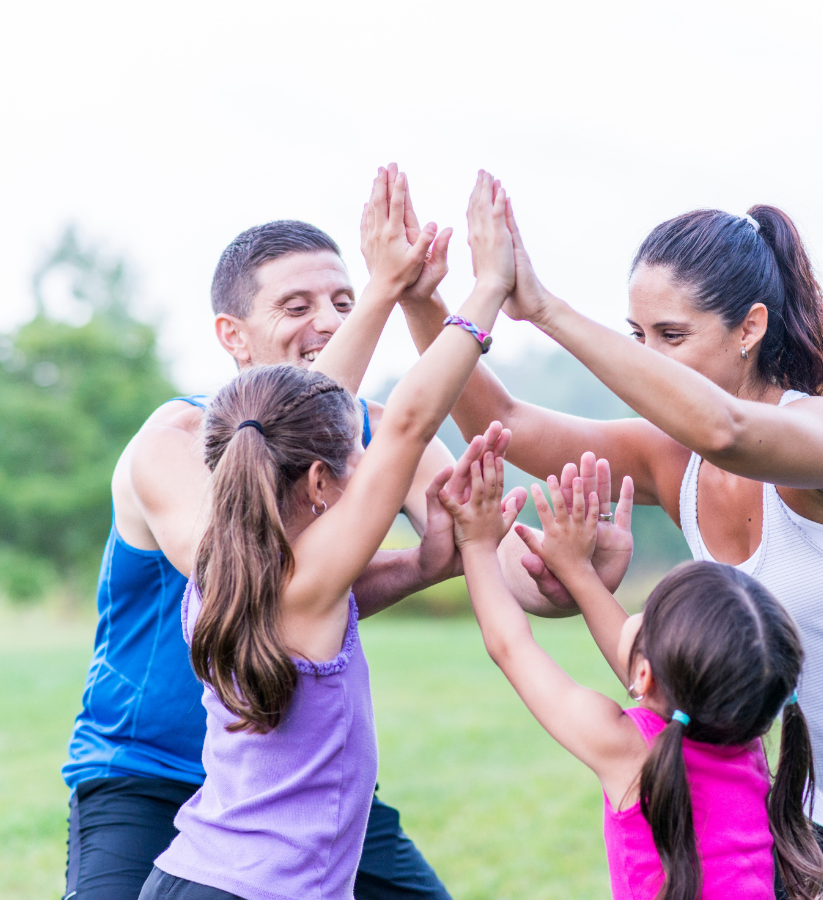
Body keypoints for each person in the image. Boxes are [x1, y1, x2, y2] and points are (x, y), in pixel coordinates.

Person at [398, 191, 823, 900]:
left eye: (671, 335)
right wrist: (423, 303)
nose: (648, 359)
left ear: (749, 329)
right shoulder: (673, 460)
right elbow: (502, 419)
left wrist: (546, 309)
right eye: (638, 336)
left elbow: (728, 431)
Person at [63, 167, 631, 900]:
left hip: (298, 775)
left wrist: (575, 567)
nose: (329, 320)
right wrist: (396, 294)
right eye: (296, 305)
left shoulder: (369, 428)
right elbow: (263, 569)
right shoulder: (173, 441)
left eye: (343, 299)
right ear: (230, 335)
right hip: (145, 772)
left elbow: (498, 562)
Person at [139, 171, 525, 900]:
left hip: (190, 875)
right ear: (320, 484)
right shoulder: (309, 578)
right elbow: (408, 420)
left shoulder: (221, 567)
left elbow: (320, 414)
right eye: (350, 461)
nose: (363, 470)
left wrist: (426, 559)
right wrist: (486, 292)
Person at [438, 446, 823, 900]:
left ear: (645, 675)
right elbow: (662, 672)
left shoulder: (627, 749)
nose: (629, 621)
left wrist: (476, 543)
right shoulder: (742, 738)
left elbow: (511, 647)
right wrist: (577, 572)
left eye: (642, 615)